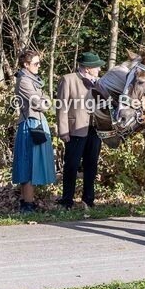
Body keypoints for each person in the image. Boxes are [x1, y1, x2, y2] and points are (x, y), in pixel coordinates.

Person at [55, 52, 106, 209]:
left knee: (92, 165)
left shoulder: (100, 82)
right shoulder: (68, 79)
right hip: (75, 129)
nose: (99, 69)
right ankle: (67, 201)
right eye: (96, 66)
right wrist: (63, 131)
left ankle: (88, 200)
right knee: (71, 165)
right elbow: (61, 107)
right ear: (88, 68)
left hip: (94, 129)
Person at [12, 51, 56, 212]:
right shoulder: (24, 80)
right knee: (28, 163)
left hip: (36, 122)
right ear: (26, 65)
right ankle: (27, 204)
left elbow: (44, 100)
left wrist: (45, 100)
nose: (39, 66)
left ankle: (27, 202)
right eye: (36, 63)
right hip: (30, 123)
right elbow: (39, 103)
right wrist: (45, 101)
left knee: (32, 162)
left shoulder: (33, 80)